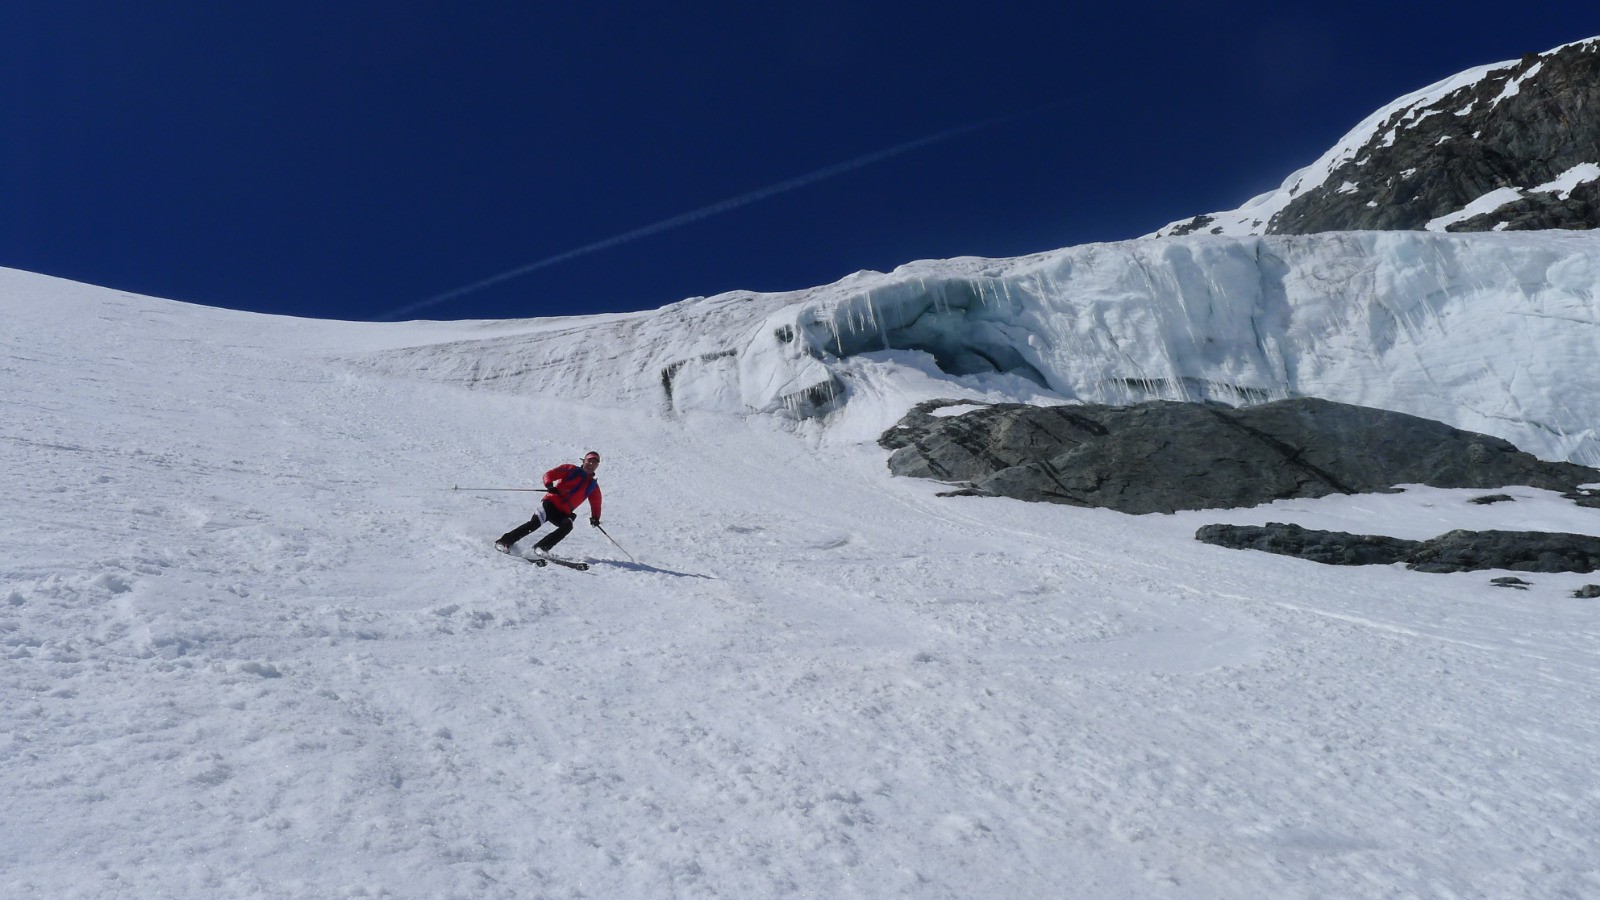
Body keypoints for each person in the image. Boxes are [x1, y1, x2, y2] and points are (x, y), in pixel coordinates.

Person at [496, 451, 603, 556]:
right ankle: (504, 541)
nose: (591, 464)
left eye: (595, 462)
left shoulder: (593, 486)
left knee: (567, 526)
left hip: (563, 512)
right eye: (589, 461)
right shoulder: (570, 469)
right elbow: (550, 474)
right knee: (535, 523)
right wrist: (549, 486)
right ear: (584, 461)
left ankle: (542, 547)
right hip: (550, 503)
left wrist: (595, 518)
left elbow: (596, 503)